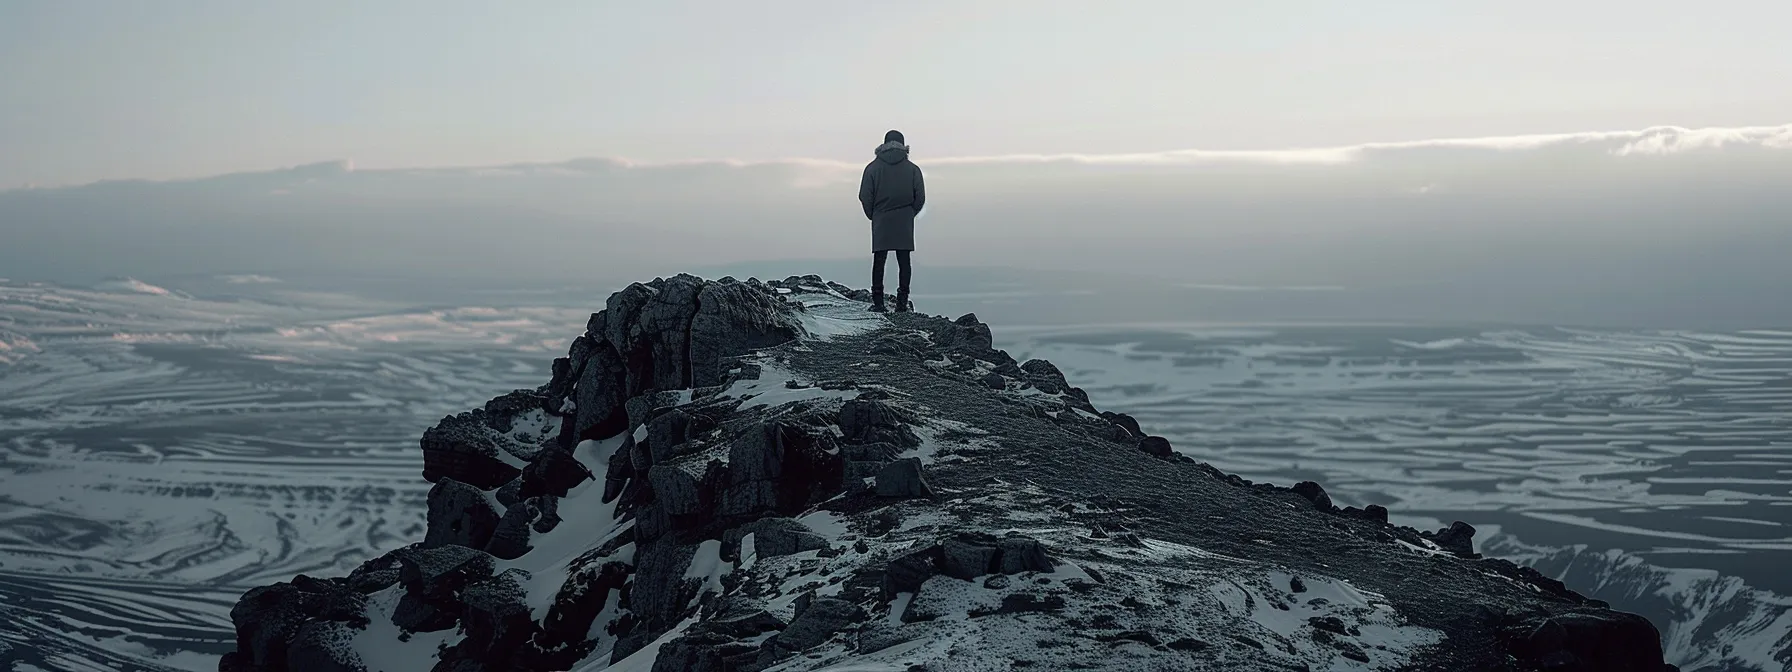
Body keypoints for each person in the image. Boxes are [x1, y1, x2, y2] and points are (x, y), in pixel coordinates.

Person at [857, 129, 925, 313]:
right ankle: (902, 302)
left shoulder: (872, 168)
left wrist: (873, 214)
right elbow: (920, 198)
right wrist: (910, 213)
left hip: (881, 217)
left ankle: (878, 302)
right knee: (904, 261)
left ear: (884, 144)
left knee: (879, 260)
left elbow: (864, 196)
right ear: (903, 145)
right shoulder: (913, 169)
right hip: (904, 219)